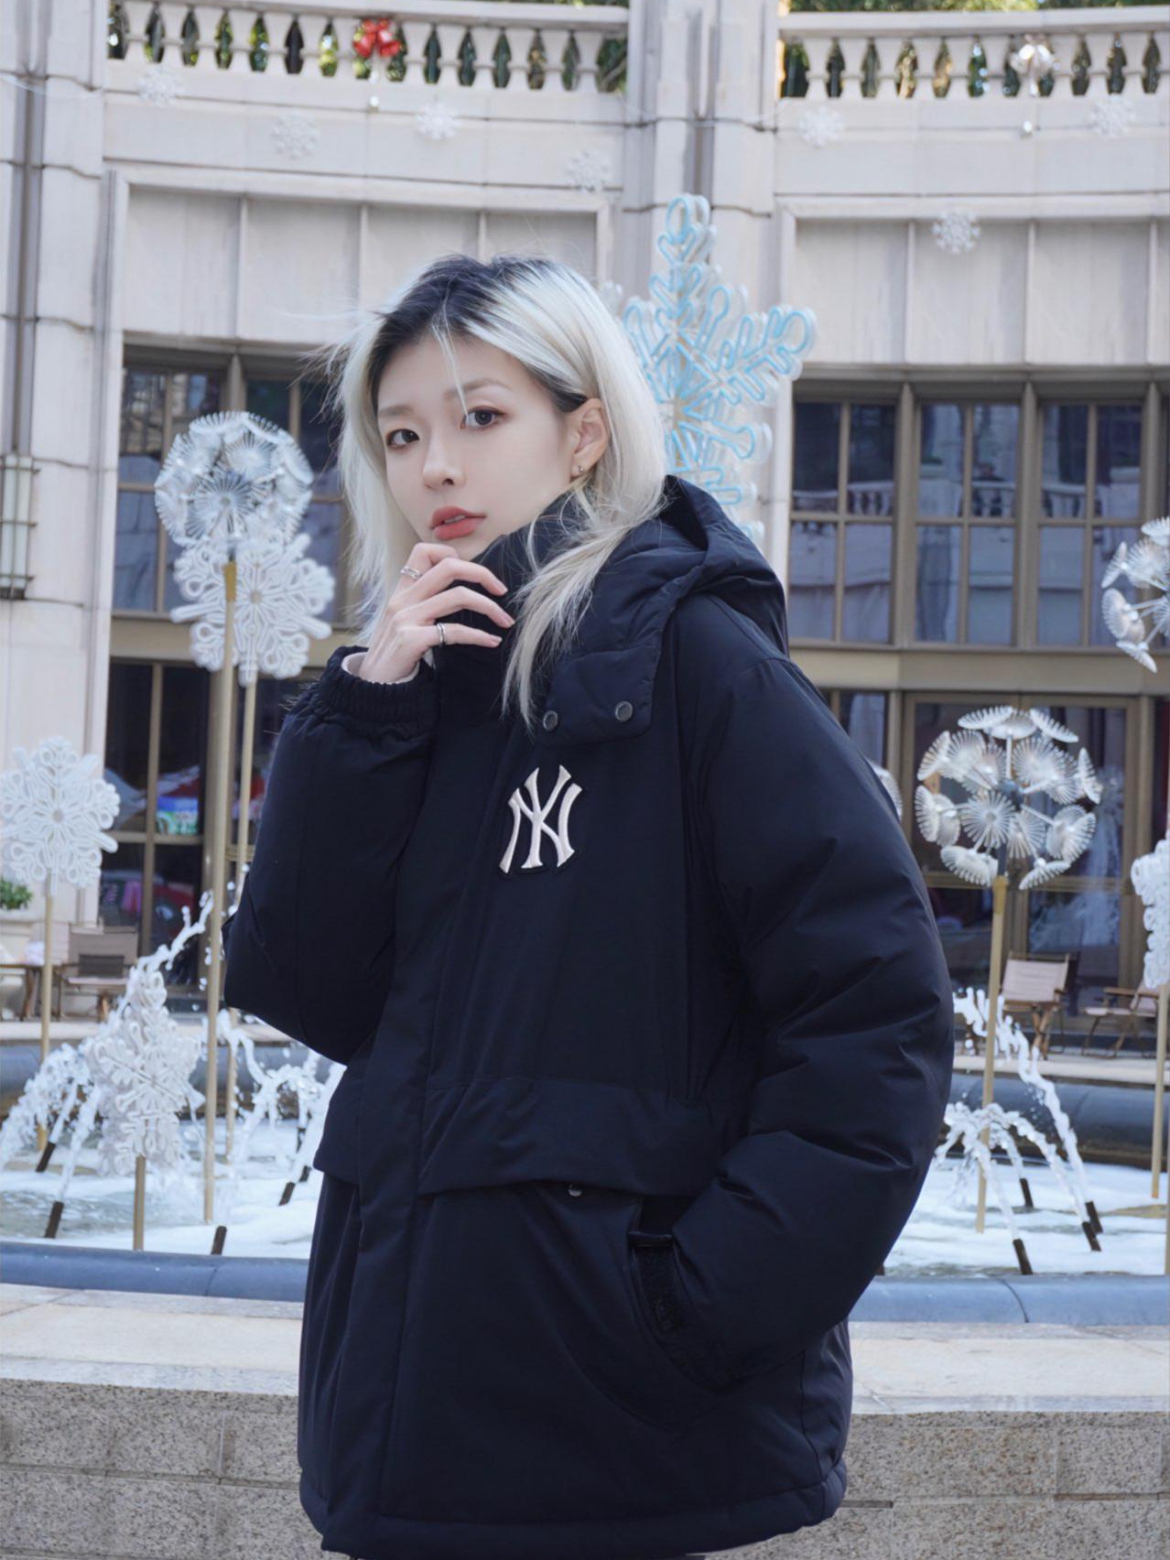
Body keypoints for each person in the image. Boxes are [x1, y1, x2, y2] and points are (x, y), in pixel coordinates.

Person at [222, 253, 954, 1560]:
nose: (436, 467)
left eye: (480, 416)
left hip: (619, 1431)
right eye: (402, 434)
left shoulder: (698, 665)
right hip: (400, 1415)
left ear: (584, 433)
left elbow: (877, 1019)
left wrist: (695, 1308)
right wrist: (363, 715)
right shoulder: (417, 687)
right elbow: (303, 990)